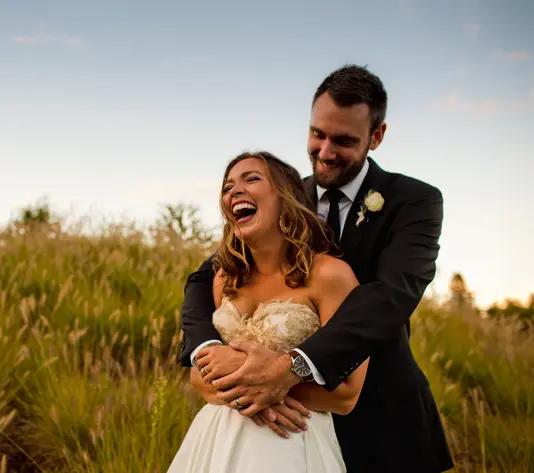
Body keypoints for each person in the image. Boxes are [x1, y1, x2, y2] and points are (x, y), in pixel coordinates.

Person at [177, 65, 454, 473]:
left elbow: (389, 297)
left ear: (376, 136)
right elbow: (203, 279)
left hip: (379, 415)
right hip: (275, 431)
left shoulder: (414, 201)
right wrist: (208, 349)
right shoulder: (282, 195)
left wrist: (287, 369)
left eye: (343, 140)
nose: (325, 152)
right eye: (317, 134)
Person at [167, 150, 365, 473]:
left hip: (291, 445)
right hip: (214, 442)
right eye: (227, 187)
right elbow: (197, 377)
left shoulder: (331, 276)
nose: (234, 191)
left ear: (284, 196)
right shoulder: (224, 279)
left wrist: (272, 385)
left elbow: (346, 395)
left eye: (252, 179)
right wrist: (250, 394)